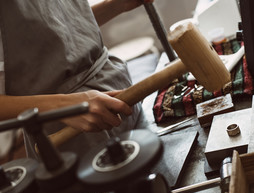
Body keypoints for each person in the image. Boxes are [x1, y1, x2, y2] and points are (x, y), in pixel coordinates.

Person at [0, 0, 152, 160]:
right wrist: (64, 107)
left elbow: (55, 34)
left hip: (115, 92)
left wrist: (117, 5)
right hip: (72, 129)